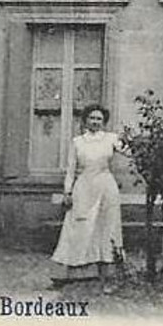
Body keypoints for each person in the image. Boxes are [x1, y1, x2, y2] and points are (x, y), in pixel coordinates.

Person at [51, 103, 125, 294]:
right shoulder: (78, 142)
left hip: (106, 186)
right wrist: (67, 192)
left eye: (99, 119)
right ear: (85, 120)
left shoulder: (111, 139)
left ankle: (108, 273)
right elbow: (70, 169)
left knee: (107, 227)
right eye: (92, 118)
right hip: (83, 187)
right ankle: (69, 274)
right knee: (79, 227)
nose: (95, 122)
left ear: (104, 122)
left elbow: (130, 152)